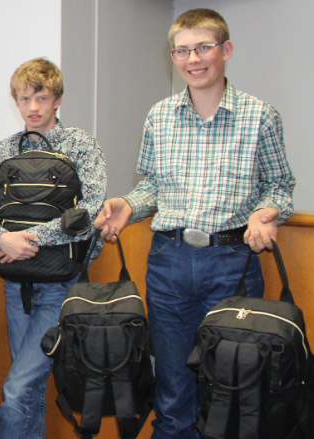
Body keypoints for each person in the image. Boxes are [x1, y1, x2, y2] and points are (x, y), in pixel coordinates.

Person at [94, 8, 294, 438]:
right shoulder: (160, 116)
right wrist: (129, 204)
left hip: (232, 263)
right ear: (173, 56)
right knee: (172, 392)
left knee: (232, 391)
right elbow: (152, 186)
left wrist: (266, 212)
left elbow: (279, 185)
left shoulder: (260, 116)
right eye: (182, 50)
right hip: (169, 262)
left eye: (203, 47)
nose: (193, 58)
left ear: (226, 50)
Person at [0, 58, 106, 439]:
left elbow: (92, 208)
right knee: (28, 389)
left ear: (57, 99)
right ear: (15, 102)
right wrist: (1, 238)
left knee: (17, 386)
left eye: (41, 97)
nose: (32, 107)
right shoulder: (4, 149)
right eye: (24, 98)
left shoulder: (80, 144)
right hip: (17, 282)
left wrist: (28, 241)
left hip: (63, 282)